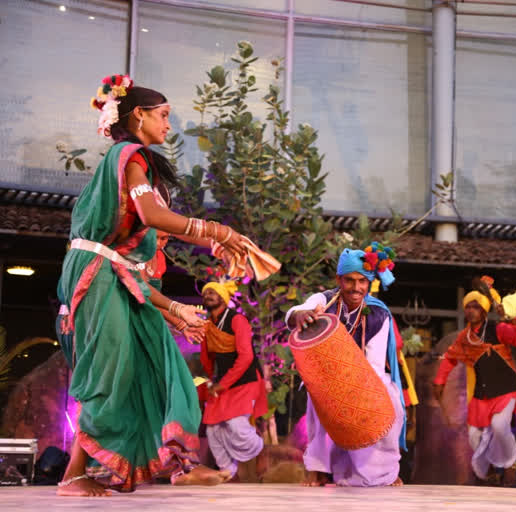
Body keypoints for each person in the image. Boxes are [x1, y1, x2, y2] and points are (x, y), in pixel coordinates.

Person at [55, 74, 260, 496]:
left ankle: (177, 462)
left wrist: (212, 241)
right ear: (139, 115)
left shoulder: (130, 161)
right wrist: (217, 232)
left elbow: (154, 221)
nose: (169, 125)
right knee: (111, 375)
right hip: (100, 272)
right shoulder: (130, 154)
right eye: (164, 115)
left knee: (161, 365)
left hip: (116, 274)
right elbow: (151, 215)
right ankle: (73, 473)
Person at [286, 243, 405, 487]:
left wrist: (355, 390)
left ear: (370, 282)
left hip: (363, 377)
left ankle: (387, 471)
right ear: (339, 279)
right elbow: (299, 310)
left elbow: (374, 364)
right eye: (349, 280)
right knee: (318, 401)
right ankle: (317, 470)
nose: (356, 287)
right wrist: (299, 315)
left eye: (362, 281)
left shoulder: (378, 314)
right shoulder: (324, 301)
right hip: (324, 377)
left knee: (392, 404)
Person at [433, 277, 516, 485]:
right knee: (474, 437)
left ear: (484, 311)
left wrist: (513, 320)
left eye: (476, 307)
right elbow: (450, 357)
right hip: (482, 393)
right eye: (468, 307)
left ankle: (511, 463)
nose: (471, 311)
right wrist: (440, 381)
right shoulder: (465, 337)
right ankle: (488, 475)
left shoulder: (498, 329)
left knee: (499, 425)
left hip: (505, 388)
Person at [198, 280, 268, 481]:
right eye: (205, 293)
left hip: (245, 380)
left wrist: (223, 383)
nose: (208, 295)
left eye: (212, 292)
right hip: (222, 382)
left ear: (223, 297)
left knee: (236, 424)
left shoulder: (237, 320)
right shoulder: (207, 324)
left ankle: (260, 448)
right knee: (212, 427)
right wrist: (211, 382)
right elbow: (206, 358)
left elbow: (246, 357)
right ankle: (229, 471)